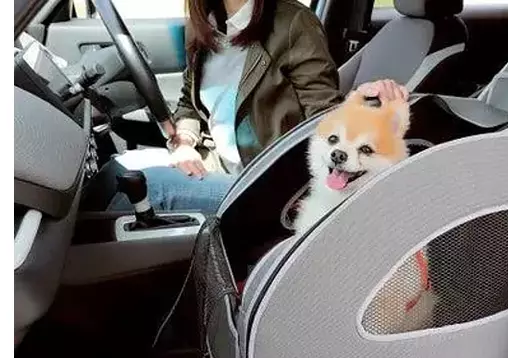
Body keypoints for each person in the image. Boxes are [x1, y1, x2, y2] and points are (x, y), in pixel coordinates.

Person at [109, 0, 408, 214]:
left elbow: (323, 117)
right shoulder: (202, 27)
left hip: (266, 183)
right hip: (215, 163)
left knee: (149, 187)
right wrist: (184, 143)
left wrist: (360, 102)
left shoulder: (293, 24)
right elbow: (189, 101)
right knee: (114, 173)